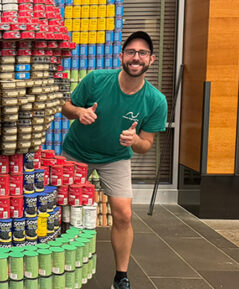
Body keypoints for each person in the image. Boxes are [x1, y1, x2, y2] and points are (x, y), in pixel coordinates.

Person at [61, 31, 167, 289]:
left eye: (142, 53)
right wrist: (79, 112)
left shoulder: (156, 101)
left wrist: (135, 141)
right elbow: (66, 107)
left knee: (123, 215)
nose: (136, 57)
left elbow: (146, 145)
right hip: (77, 153)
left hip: (116, 159)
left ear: (151, 60)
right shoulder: (97, 79)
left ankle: (121, 276)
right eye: (131, 52)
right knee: (62, 212)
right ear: (121, 56)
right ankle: (60, 265)